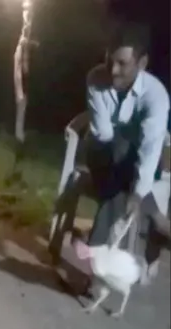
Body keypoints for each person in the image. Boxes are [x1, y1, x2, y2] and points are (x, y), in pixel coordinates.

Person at [85, 21, 170, 283]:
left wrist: (137, 191)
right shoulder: (95, 79)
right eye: (111, 60)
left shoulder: (155, 95)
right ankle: (159, 220)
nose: (113, 70)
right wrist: (135, 189)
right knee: (118, 149)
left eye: (123, 63)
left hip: (136, 161)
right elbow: (104, 134)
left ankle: (96, 258)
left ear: (142, 63)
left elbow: (151, 146)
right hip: (103, 152)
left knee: (117, 190)